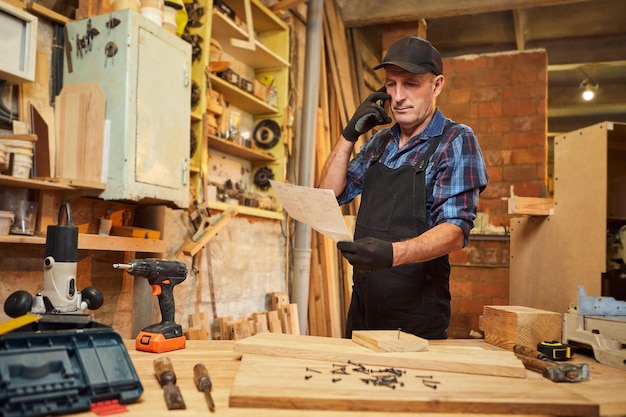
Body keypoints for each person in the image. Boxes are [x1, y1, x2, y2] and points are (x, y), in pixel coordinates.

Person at [318, 36, 488, 339]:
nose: (397, 97)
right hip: (363, 306)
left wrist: (391, 254)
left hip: (415, 314)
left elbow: (455, 230)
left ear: (436, 85)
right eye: (390, 84)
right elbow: (327, 197)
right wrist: (348, 135)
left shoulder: (455, 140)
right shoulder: (380, 142)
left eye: (410, 84)